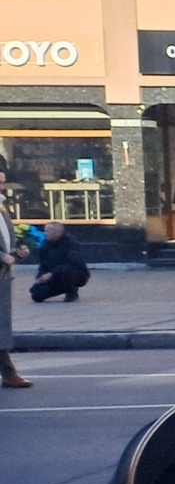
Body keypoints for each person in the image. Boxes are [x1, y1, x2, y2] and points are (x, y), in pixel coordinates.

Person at [0, 164, 27, 388]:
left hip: (3, 275)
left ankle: (8, 373)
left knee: (2, 326)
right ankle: (9, 373)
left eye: (3, 182)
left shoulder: (2, 208)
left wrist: (16, 253)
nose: (2, 187)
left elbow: (6, 239)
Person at [28, 221, 90, 303]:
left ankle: (72, 292)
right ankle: (63, 287)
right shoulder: (45, 244)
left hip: (75, 274)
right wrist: (40, 278)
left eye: (47, 231)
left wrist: (51, 274)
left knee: (66, 271)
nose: (45, 233)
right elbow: (43, 263)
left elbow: (73, 263)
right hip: (53, 276)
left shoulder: (71, 242)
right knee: (36, 295)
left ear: (56, 233)